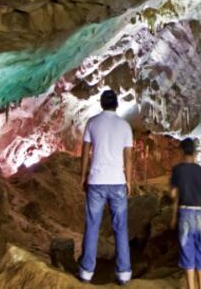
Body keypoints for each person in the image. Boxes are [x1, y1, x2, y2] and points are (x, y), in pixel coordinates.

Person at [79, 90, 134, 285]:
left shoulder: (92, 123)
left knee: (92, 225)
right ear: (116, 105)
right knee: (120, 227)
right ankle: (124, 272)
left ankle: (87, 271)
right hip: (117, 181)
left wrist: (83, 175)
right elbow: (128, 157)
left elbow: (85, 153)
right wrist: (128, 180)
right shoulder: (125, 126)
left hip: (96, 181)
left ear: (101, 104)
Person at [169, 137, 201, 289]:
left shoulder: (177, 170)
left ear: (181, 151)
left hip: (184, 214)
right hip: (199, 214)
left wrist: (173, 217)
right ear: (194, 152)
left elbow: (174, 195)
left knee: (187, 253)